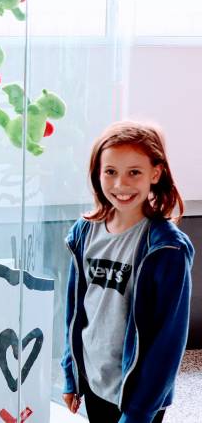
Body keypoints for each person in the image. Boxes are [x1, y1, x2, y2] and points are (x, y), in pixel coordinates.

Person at [61, 121, 194, 423]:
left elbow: (169, 341)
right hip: (94, 382)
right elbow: (74, 311)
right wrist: (72, 375)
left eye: (134, 172)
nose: (121, 184)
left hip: (138, 396)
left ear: (155, 174)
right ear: (98, 173)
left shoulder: (168, 248)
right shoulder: (84, 232)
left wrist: (139, 412)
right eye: (111, 171)